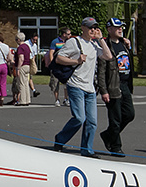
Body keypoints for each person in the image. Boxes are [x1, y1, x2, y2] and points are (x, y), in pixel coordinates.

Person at [52, 17, 108, 156]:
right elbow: (59, 58)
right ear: (83, 28)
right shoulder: (74, 42)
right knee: (79, 118)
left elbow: (108, 56)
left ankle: (87, 149)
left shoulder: (95, 45)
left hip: (90, 88)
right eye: (90, 28)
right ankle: (60, 139)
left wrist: (100, 39)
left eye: (95, 28)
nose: (93, 30)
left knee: (92, 121)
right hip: (75, 84)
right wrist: (76, 60)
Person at [100, 17, 134, 157]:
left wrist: (129, 47)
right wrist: (104, 90)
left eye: (121, 27)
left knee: (130, 114)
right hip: (113, 85)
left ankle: (108, 135)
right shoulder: (106, 47)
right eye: (117, 27)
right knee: (115, 118)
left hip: (125, 85)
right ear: (109, 29)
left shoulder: (124, 43)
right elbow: (101, 71)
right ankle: (116, 146)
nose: (120, 29)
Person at [12, 32, 33, 105]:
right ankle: (27, 99)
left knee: (21, 84)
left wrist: (18, 68)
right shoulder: (27, 46)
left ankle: (23, 100)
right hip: (28, 65)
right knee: (26, 83)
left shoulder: (20, 47)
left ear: (18, 39)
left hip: (22, 66)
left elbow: (21, 58)